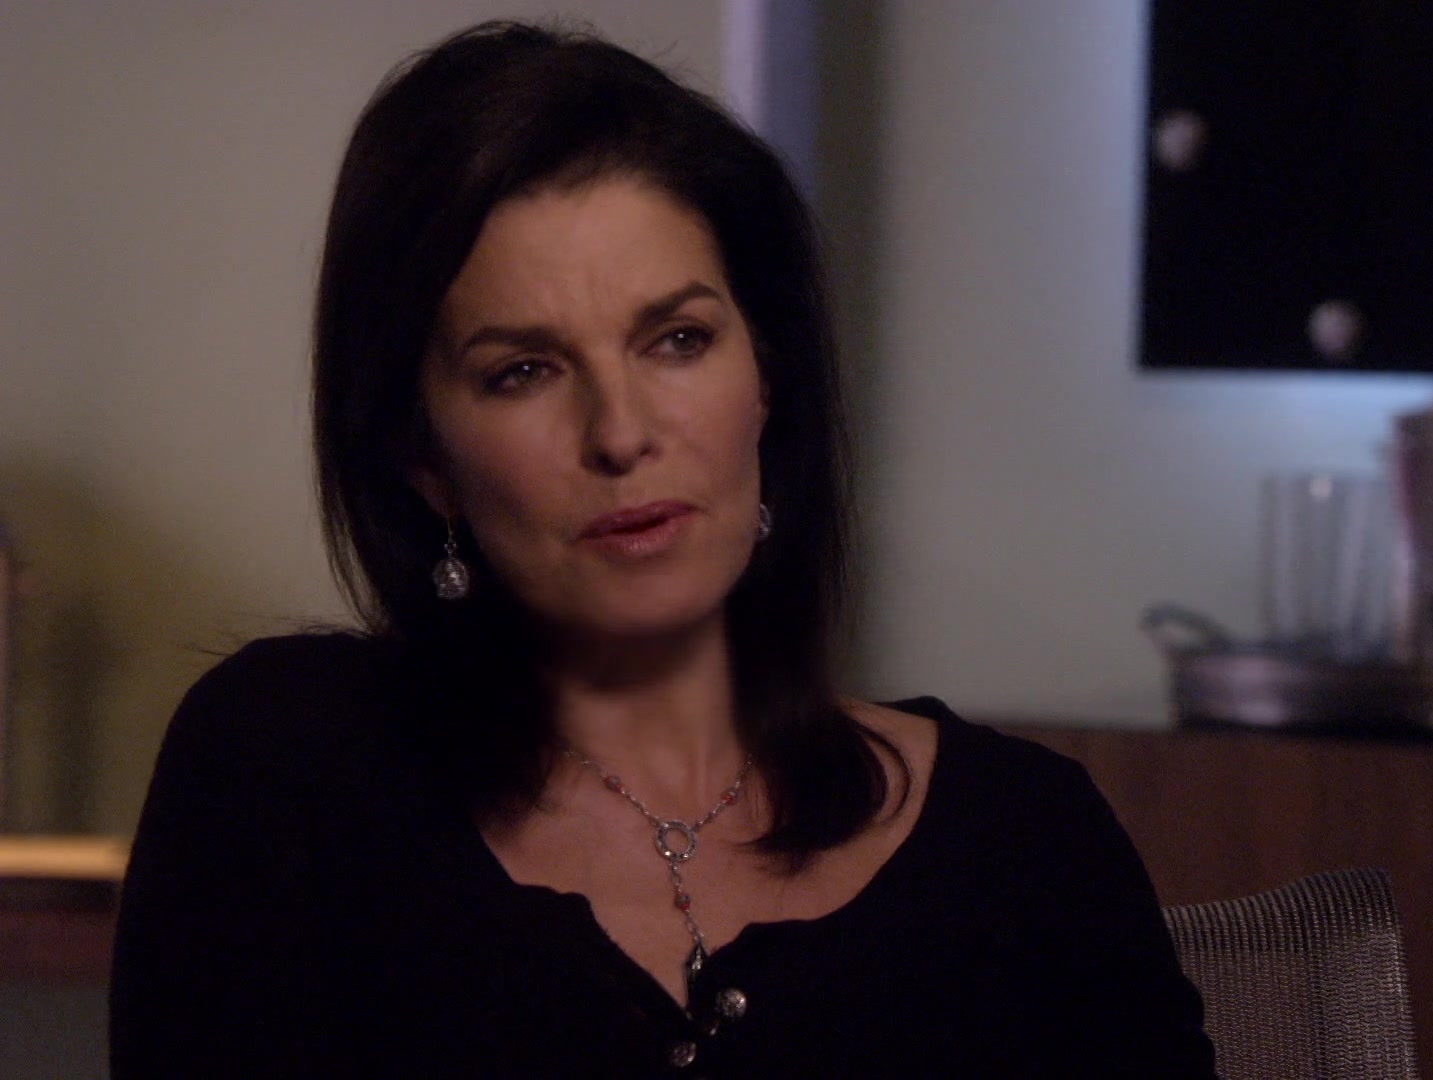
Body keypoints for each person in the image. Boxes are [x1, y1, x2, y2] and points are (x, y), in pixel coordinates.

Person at [108, 19, 1214, 1078]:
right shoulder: (289, 772)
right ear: (422, 455)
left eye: (678, 339)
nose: (622, 433)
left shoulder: (1025, 841)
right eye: (522, 371)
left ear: (765, 381)